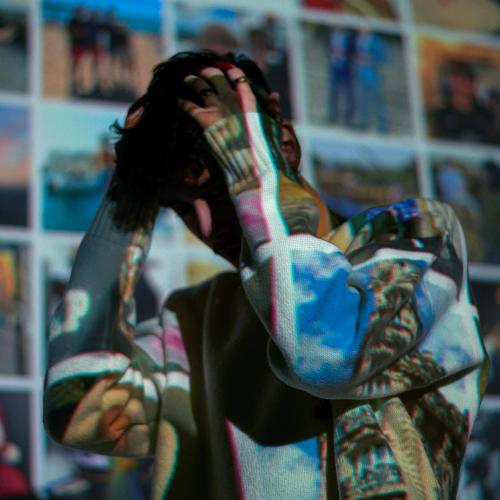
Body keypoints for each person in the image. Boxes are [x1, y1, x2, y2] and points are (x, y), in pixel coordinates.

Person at [43, 51, 489, 499]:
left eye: (217, 189)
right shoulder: (194, 319)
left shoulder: (416, 234)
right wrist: (128, 195)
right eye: (181, 207)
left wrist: (251, 160)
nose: (205, 226)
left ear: (285, 146)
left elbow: (325, 352)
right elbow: (79, 406)